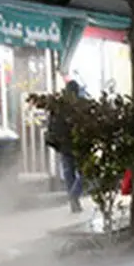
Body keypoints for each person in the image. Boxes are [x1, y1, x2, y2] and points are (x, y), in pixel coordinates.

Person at [46, 80, 85, 213]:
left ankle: (73, 201)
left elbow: (51, 124)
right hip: (78, 144)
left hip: (63, 145)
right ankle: (74, 197)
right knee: (84, 172)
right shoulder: (79, 105)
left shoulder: (58, 106)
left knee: (69, 173)